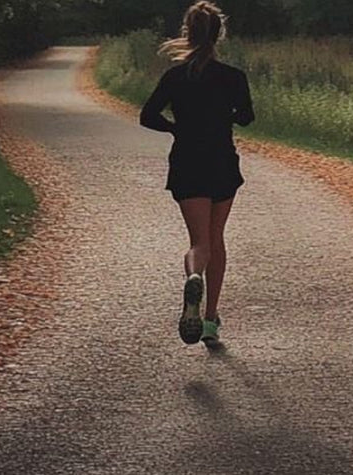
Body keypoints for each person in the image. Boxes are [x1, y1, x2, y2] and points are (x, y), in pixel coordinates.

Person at [140, 1, 255, 346]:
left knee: (198, 243)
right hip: (221, 160)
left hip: (187, 161)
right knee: (216, 239)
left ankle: (194, 276)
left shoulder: (175, 77)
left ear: (187, 33)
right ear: (218, 35)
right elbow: (247, 117)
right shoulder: (233, 77)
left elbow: (148, 116)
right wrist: (226, 117)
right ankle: (209, 321)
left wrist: (176, 128)